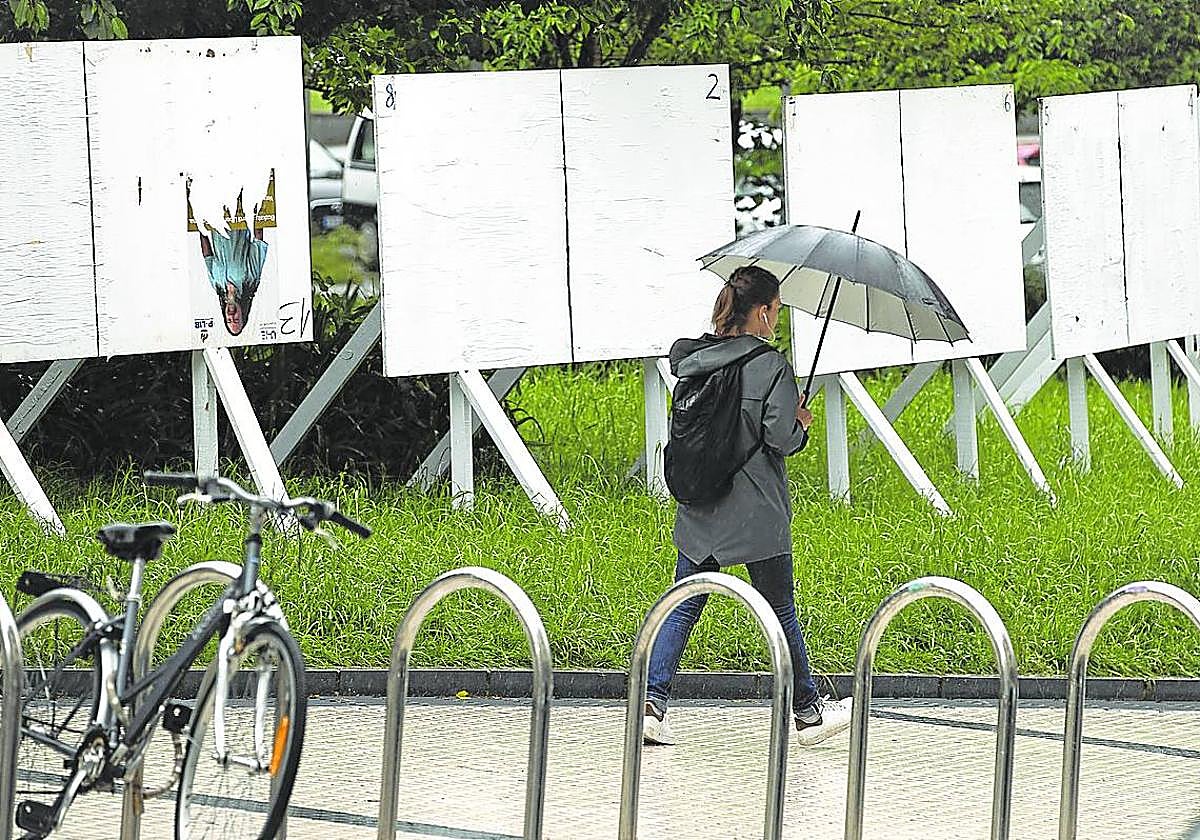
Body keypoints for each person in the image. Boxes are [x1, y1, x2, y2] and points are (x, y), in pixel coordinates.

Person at [644, 264, 853, 747]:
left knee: (683, 604)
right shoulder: (771, 366)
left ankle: (652, 705)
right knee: (780, 610)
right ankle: (807, 712)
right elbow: (780, 437)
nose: (775, 321)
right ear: (761, 311)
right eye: (775, 311)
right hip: (756, 510)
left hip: (701, 506)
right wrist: (799, 421)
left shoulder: (696, 360)